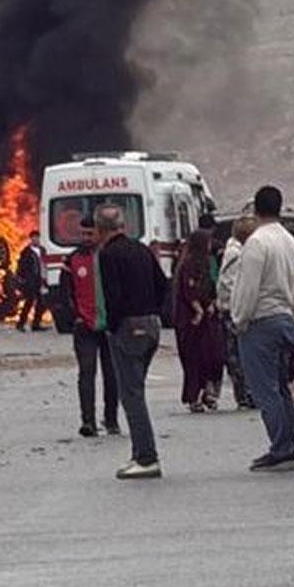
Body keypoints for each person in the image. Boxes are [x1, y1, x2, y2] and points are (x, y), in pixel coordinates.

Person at [229, 187, 294, 473]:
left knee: (264, 389)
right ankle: (288, 445)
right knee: (281, 388)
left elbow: (248, 288)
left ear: (255, 210)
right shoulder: (288, 240)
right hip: (285, 318)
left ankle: (280, 448)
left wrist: (239, 320)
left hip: (260, 321)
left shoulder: (257, 243)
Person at [95, 203, 167, 480]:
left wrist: (112, 327)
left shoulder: (108, 254)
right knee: (136, 389)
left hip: (128, 327)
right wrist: (153, 312)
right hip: (151, 325)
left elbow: (112, 295)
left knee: (131, 394)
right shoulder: (141, 249)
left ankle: (146, 457)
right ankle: (141, 453)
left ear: (100, 229)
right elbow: (163, 285)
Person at [58, 216, 119, 438]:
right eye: (83, 234)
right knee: (86, 372)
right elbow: (65, 292)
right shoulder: (72, 260)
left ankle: (111, 419)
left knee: (111, 374)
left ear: (99, 233)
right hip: (84, 325)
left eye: (90, 234)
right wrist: (74, 317)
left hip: (110, 325)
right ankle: (88, 421)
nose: (86, 238)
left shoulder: (109, 256)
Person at [172, 228, 225, 413]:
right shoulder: (188, 264)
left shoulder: (207, 263)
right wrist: (198, 308)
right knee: (193, 358)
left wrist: (211, 303)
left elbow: (210, 286)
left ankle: (207, 391)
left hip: (207, 318)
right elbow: (189, 289)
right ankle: (193, 395)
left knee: (212, 356)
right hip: (190, 318)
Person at [215, 216, 257, 409]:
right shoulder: (237, 254)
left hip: (231, 309)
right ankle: (246, 393)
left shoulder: (233, 251)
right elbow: (232, 284)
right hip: (235, 310)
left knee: (237, 355)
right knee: (239, 355)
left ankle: (245, 393)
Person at [15, 230, 46, 331]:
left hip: (41, 280)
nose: (35, 239)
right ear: (31, 239)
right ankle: (20, 324)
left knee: (41, 303)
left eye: (37, 237)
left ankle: (36, 324)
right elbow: (21, 266)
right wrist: (21, 279)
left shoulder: (43, 250)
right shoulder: (26, 252)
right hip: (31, 281)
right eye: (33, 238)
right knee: (29, 302)